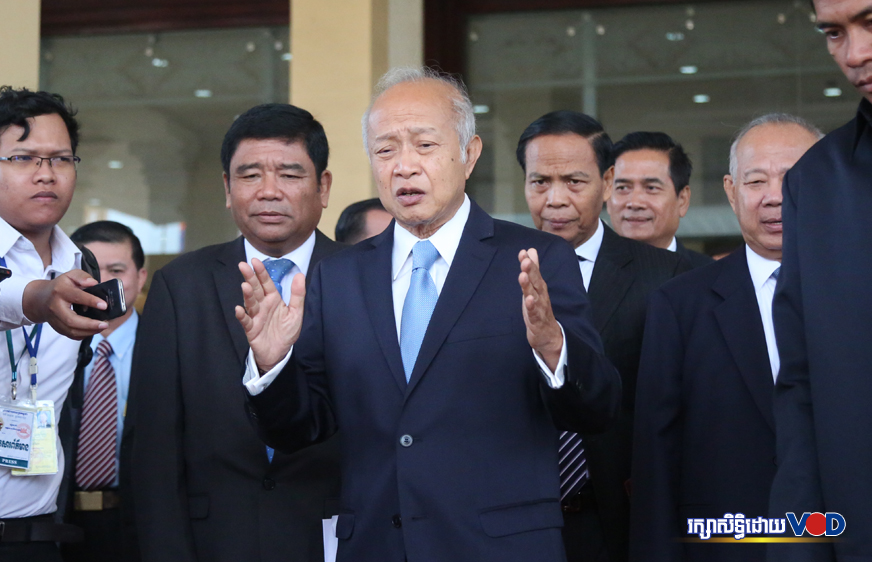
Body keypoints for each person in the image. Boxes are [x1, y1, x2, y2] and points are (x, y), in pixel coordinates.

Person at [239, 67, 621, 562]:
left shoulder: (536, 259)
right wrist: (272, 366)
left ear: (470, 154)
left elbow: (597, 409)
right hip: (377, 545)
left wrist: (554, 349)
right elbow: (300, 428)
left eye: (424, 145)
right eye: (386, 150)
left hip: (500, 548)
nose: (404, 166)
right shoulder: (339, 276)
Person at [130, 104, 344, 562]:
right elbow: (153, 447)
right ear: (227, 189)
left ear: (323, 187)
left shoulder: (362, 279)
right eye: (250, 176)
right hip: (215, 540)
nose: (269, 191)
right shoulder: (181, 285)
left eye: (290, 174)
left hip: (333, 536)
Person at [629, 114, 821, 562]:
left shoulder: (859, 290)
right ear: (732, 193)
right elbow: (656, 459)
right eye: (756, 181)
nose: (775, 196)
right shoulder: (679, 305)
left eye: (792, 178)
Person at [518, 110, 690, 562]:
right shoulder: (494, 272)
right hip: (519, 519)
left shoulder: (666, 275)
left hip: (624, 516)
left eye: (574, 182)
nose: (555, 199)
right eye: (540, 182)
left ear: (607, 180)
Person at [770, 1, 872, 559]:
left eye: (871, 22)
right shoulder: (816, 182)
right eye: (834, 33)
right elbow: (802, 386)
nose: (855, 54)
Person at [0, 87, 109, 562]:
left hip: (40, 537)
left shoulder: (81, 264)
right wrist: (38, 299)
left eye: (61, 159)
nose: (46, 173)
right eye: (23, 158)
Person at [60, 221, 147, 562]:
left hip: (139, 523)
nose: (103, 284)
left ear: (141, 277)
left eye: (117, 271)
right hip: (59, 521)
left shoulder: (167, 346)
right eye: (91, 271)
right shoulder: (49, 349)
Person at [607, 132, 713, 268]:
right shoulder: (585, 273)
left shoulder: (712, 275)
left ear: (682, 200)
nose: (634, 203)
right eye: (623, 188)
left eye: (651, 188)